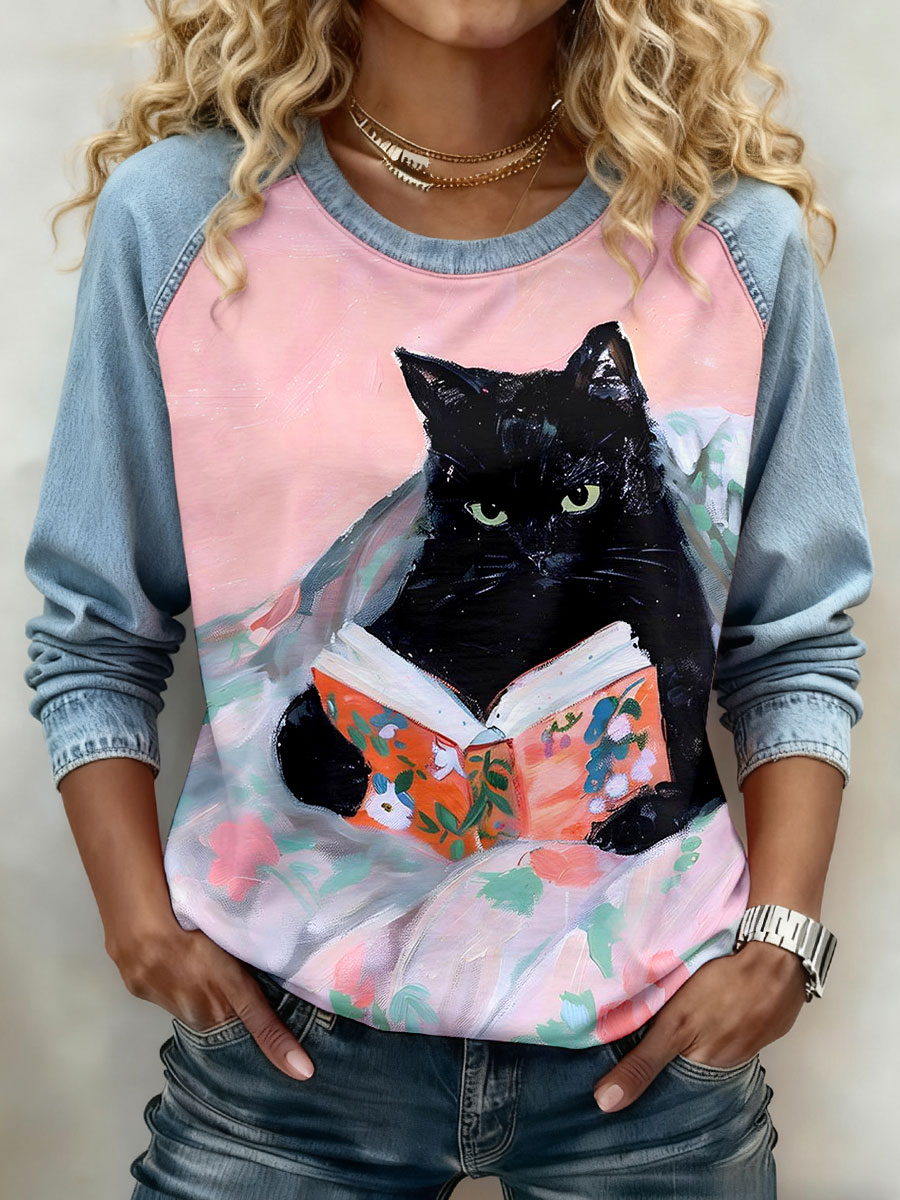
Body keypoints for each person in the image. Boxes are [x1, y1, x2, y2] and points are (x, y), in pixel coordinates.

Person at [22, 1, 874, 1197]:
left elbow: (790, 644)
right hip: (287, 1048)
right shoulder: (185, 223)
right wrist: (140, 927)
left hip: (655, 1047)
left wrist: (783, 943)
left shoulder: (725, 239)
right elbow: (95, 631)